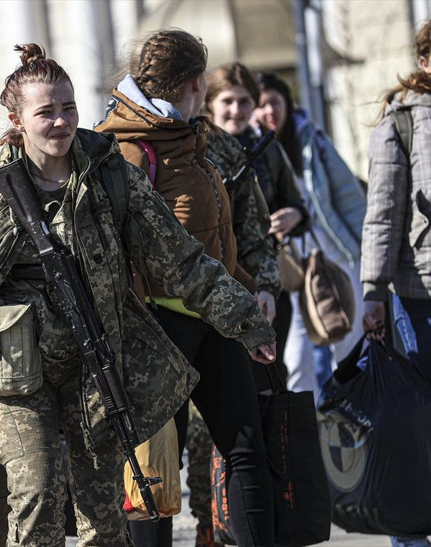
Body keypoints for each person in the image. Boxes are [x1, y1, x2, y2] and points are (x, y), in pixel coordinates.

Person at [0, 43, 276, 545]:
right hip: (18, 373)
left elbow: (180, 257)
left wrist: (245, 320)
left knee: (102, 516)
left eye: (68, 107)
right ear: (17, 119)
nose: (60, 121)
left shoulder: (109, 176)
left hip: (93, 363)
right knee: (37, 499)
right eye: (45, 112)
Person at [96, 30, 277, 546]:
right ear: (197, 82)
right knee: (155, 468)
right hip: (156, 329)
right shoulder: (124, 149)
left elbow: (224, 236)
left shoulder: (197, 138)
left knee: (244, 448)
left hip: (216, 320)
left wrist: (246, 302)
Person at [254, 72, 367, 394]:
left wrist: (365, 251)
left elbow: (347, 195)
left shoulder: (309, 138)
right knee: (295, 353)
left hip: (333, 257)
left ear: (288, 104)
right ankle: (310, 429)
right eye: (261, 105)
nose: (269, 111)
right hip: (288, 270)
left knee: (347, 338)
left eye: (275, 102)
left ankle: (355, 415)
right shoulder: (247, 151)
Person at [206, 62, 311, 387]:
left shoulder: (269, 149)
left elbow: (295, 202)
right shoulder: (196, 150)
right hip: (217, 287)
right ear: (210, 103)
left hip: (268, 285)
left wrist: (295, 215)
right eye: (227, 101)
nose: (236, 110)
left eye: (244, 101)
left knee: (272, 383)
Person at [363, 21, 431, 378]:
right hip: (422, 293)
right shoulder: (401, 124)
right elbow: (382, 214)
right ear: (425, 62)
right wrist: (373, 291)